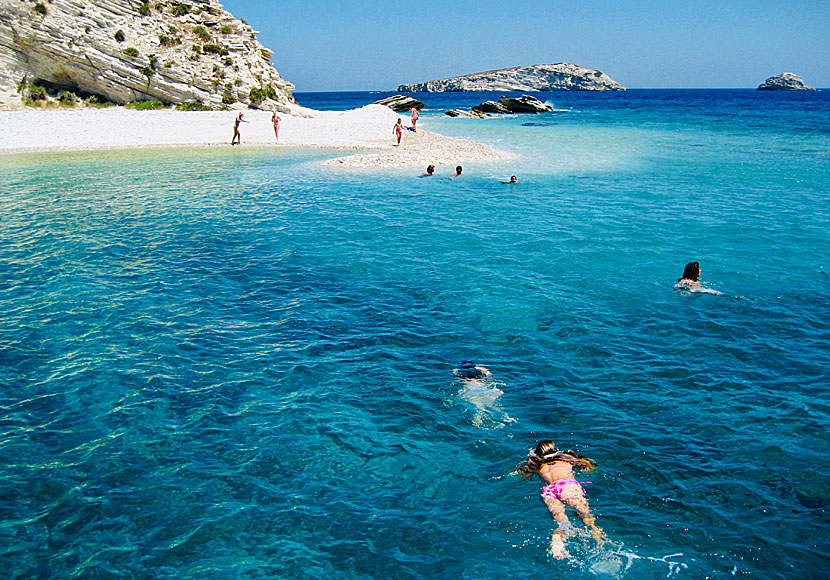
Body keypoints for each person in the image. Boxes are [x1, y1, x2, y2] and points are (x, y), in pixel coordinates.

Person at [515, 440, 604, 559]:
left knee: (562, 522)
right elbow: (589, 466)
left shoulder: (537, 465)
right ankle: (599, 541)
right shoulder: (567, 459)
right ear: (556, 450)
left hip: (549, 491)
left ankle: (557, 539)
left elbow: (523, 471)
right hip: (567, 486)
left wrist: (532, 455)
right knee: (587, 516)